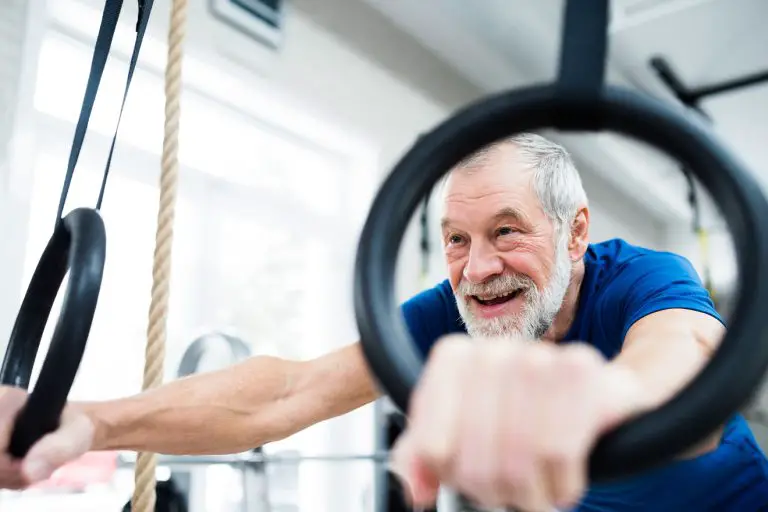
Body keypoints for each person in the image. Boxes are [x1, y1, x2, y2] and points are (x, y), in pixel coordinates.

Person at [0, 133, 766, 511]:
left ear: (574, 234)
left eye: (507, 231)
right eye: (458, 241)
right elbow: (289, 392)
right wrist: (89, 422)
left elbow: (684, 359)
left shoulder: (643, 276)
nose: (476, 269)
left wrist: (584, 400)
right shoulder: (450, 314)